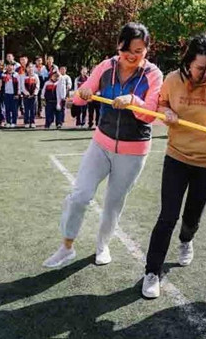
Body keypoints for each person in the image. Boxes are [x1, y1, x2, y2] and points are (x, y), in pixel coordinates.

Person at [42, 22, 163, 269]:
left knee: (113, 203)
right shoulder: (106, 66)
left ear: (147, 50)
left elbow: (150, 114)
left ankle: (102, 246)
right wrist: (84, 92)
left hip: (134, 150)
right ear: (119, 46)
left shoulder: (153, 74)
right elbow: (78, 97)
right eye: (127, 48)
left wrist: (133, 100)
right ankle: (66, 247)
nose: (132, 55)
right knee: (80, 196)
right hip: (101, 142)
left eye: (139, 50)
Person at [142, 34, 206, 299]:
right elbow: (162, 103)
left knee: (192, 218)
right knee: (167, 216)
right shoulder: (173, 79)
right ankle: (151, 272)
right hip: (176, 156)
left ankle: (186, 240)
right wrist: (166, 112)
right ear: (188, 61)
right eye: (200, 68)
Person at [20, 62, 40, 128]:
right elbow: (22, 86)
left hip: (34, 96)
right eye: (29, 67)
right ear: (26, 68)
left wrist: (34, 93)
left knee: (33, 109)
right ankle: (26, 122)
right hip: (26, 96)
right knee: (26, 109)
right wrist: (27, 93)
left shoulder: (36, 76)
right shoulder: (23, 76)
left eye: (31, 67)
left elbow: (37, 85)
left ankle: (32, 122)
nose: (30, 69)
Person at [1, 61, 20, 128]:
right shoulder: (3, 74)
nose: (9, 67)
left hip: (14, 94)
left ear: (13, 67)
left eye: (11, 66)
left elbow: (18, 85)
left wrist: (17, 94)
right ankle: (8, 122)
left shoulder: (16, 75)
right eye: (8, 66)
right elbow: (1, 85)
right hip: (6, 94)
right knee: (7, 109)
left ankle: (14, 122)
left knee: (14, 109)